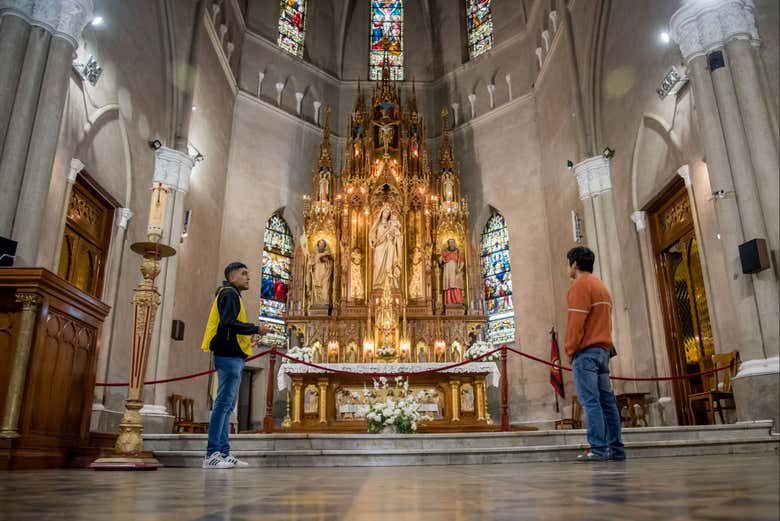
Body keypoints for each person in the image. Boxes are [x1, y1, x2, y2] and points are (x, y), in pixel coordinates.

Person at [200, 262, 268, 469]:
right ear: (232, 277)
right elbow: (228, 323)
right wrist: (255, 328)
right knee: (223, 405)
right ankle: (212, 454)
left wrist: (249, 339)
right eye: (244, 274)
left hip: (233, 355)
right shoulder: (228, 293)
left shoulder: (232, 295)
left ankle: (224, 453)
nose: (248, 277)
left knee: (228, 406)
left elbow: (230, 328)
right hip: (228, 356)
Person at [564, 246, 625, 462]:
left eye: (568, 263)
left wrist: (570, 349)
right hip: (603, 351)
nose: (568, 267)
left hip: (586, 352)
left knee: (591, 402)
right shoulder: (601, 286)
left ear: (574, 264)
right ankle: (616, 449)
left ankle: (598, 449)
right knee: (607, 403)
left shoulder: (579, 286)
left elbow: (576, 322)